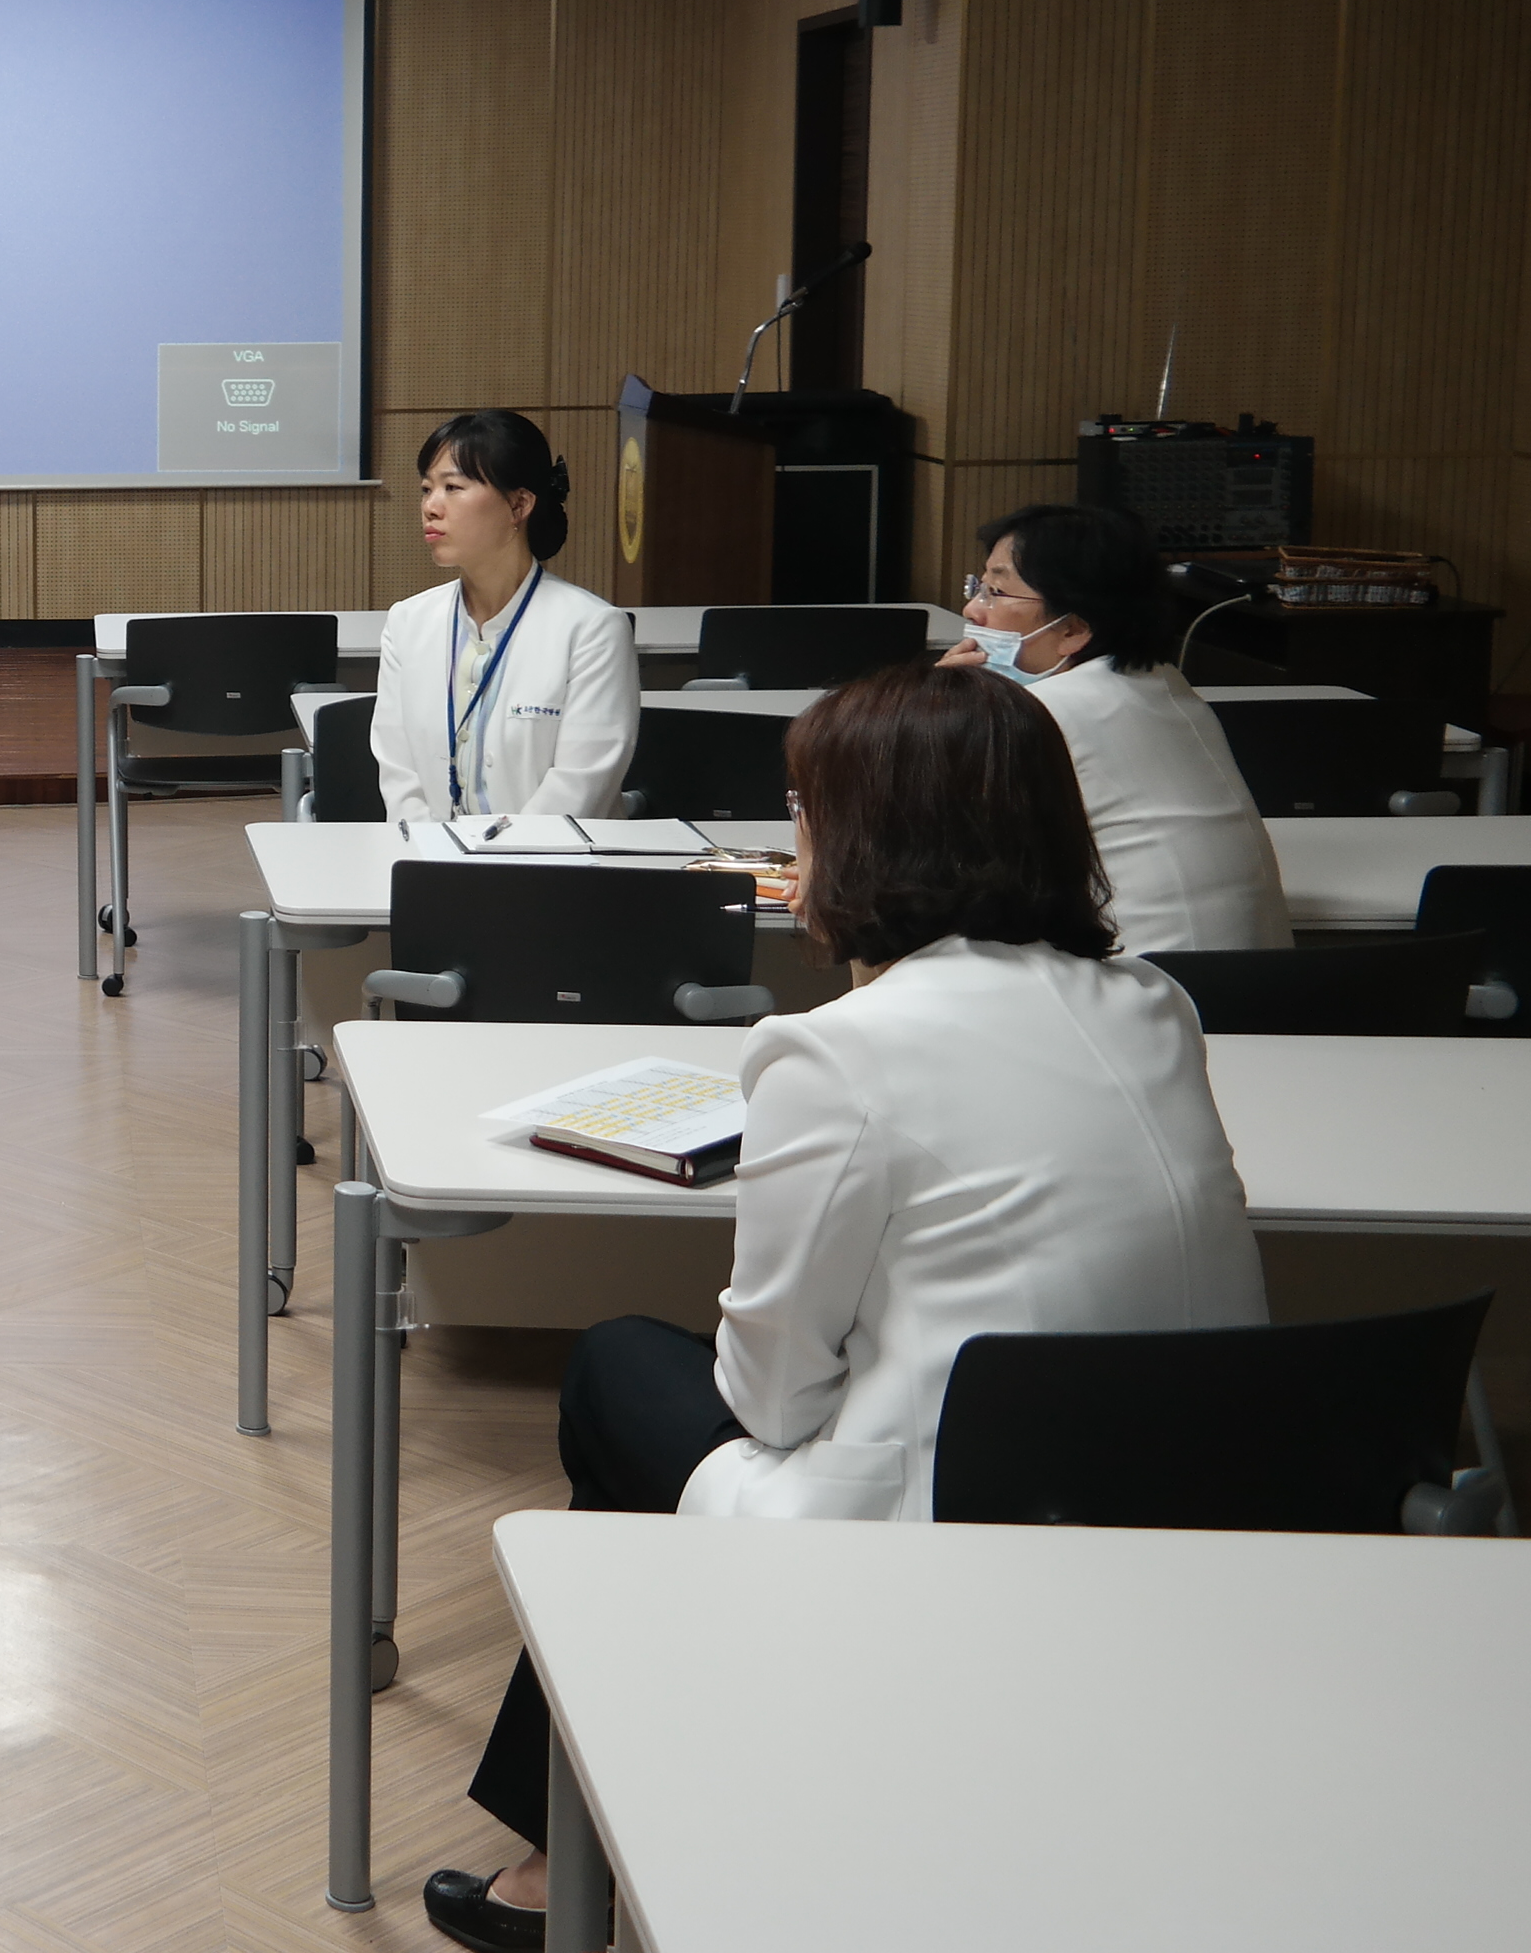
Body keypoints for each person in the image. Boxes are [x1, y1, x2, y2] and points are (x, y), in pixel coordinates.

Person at [422, 664, 1264, 1950]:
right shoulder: (1155, 1003)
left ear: (864, 840)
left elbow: (767, 1396)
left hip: (949, 1525)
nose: (795, 844)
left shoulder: (838, 1051)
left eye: (804, 815)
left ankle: (576, 1855)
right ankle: (561, 1840)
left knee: (617, 1370)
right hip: (1192, 1495)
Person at [940, 500, 1290, 953]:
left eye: (996, 591)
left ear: (1073, 629)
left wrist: (933, 712)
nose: (973, 609)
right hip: (1249, 976)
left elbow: (926, 843)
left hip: (1144, 977)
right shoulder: (1166, 687)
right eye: (979, 586)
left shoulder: (1041, 714)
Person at [371, 411, 639, 822]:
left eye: (452, 487)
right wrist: (429, 848)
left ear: (518, 504)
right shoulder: (408, 622)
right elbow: (399, 774)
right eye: (427, 489)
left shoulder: (592, 628)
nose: (430, 507)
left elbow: (580, 786)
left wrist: (501, 856)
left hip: (554, 858)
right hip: (430, 854)